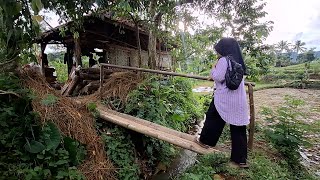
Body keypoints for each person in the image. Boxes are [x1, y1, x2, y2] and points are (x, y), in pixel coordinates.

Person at [196, 37, 249, 168]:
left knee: (212, 117)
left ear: (224, 49)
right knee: (238, 128)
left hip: (224, 98)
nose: (217, 53)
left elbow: (218, 77)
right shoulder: (238, 61)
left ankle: (205, 142)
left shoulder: (224, 60)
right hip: (238, 100)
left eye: (218, 50)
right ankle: (240, 160)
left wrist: (213, 69)